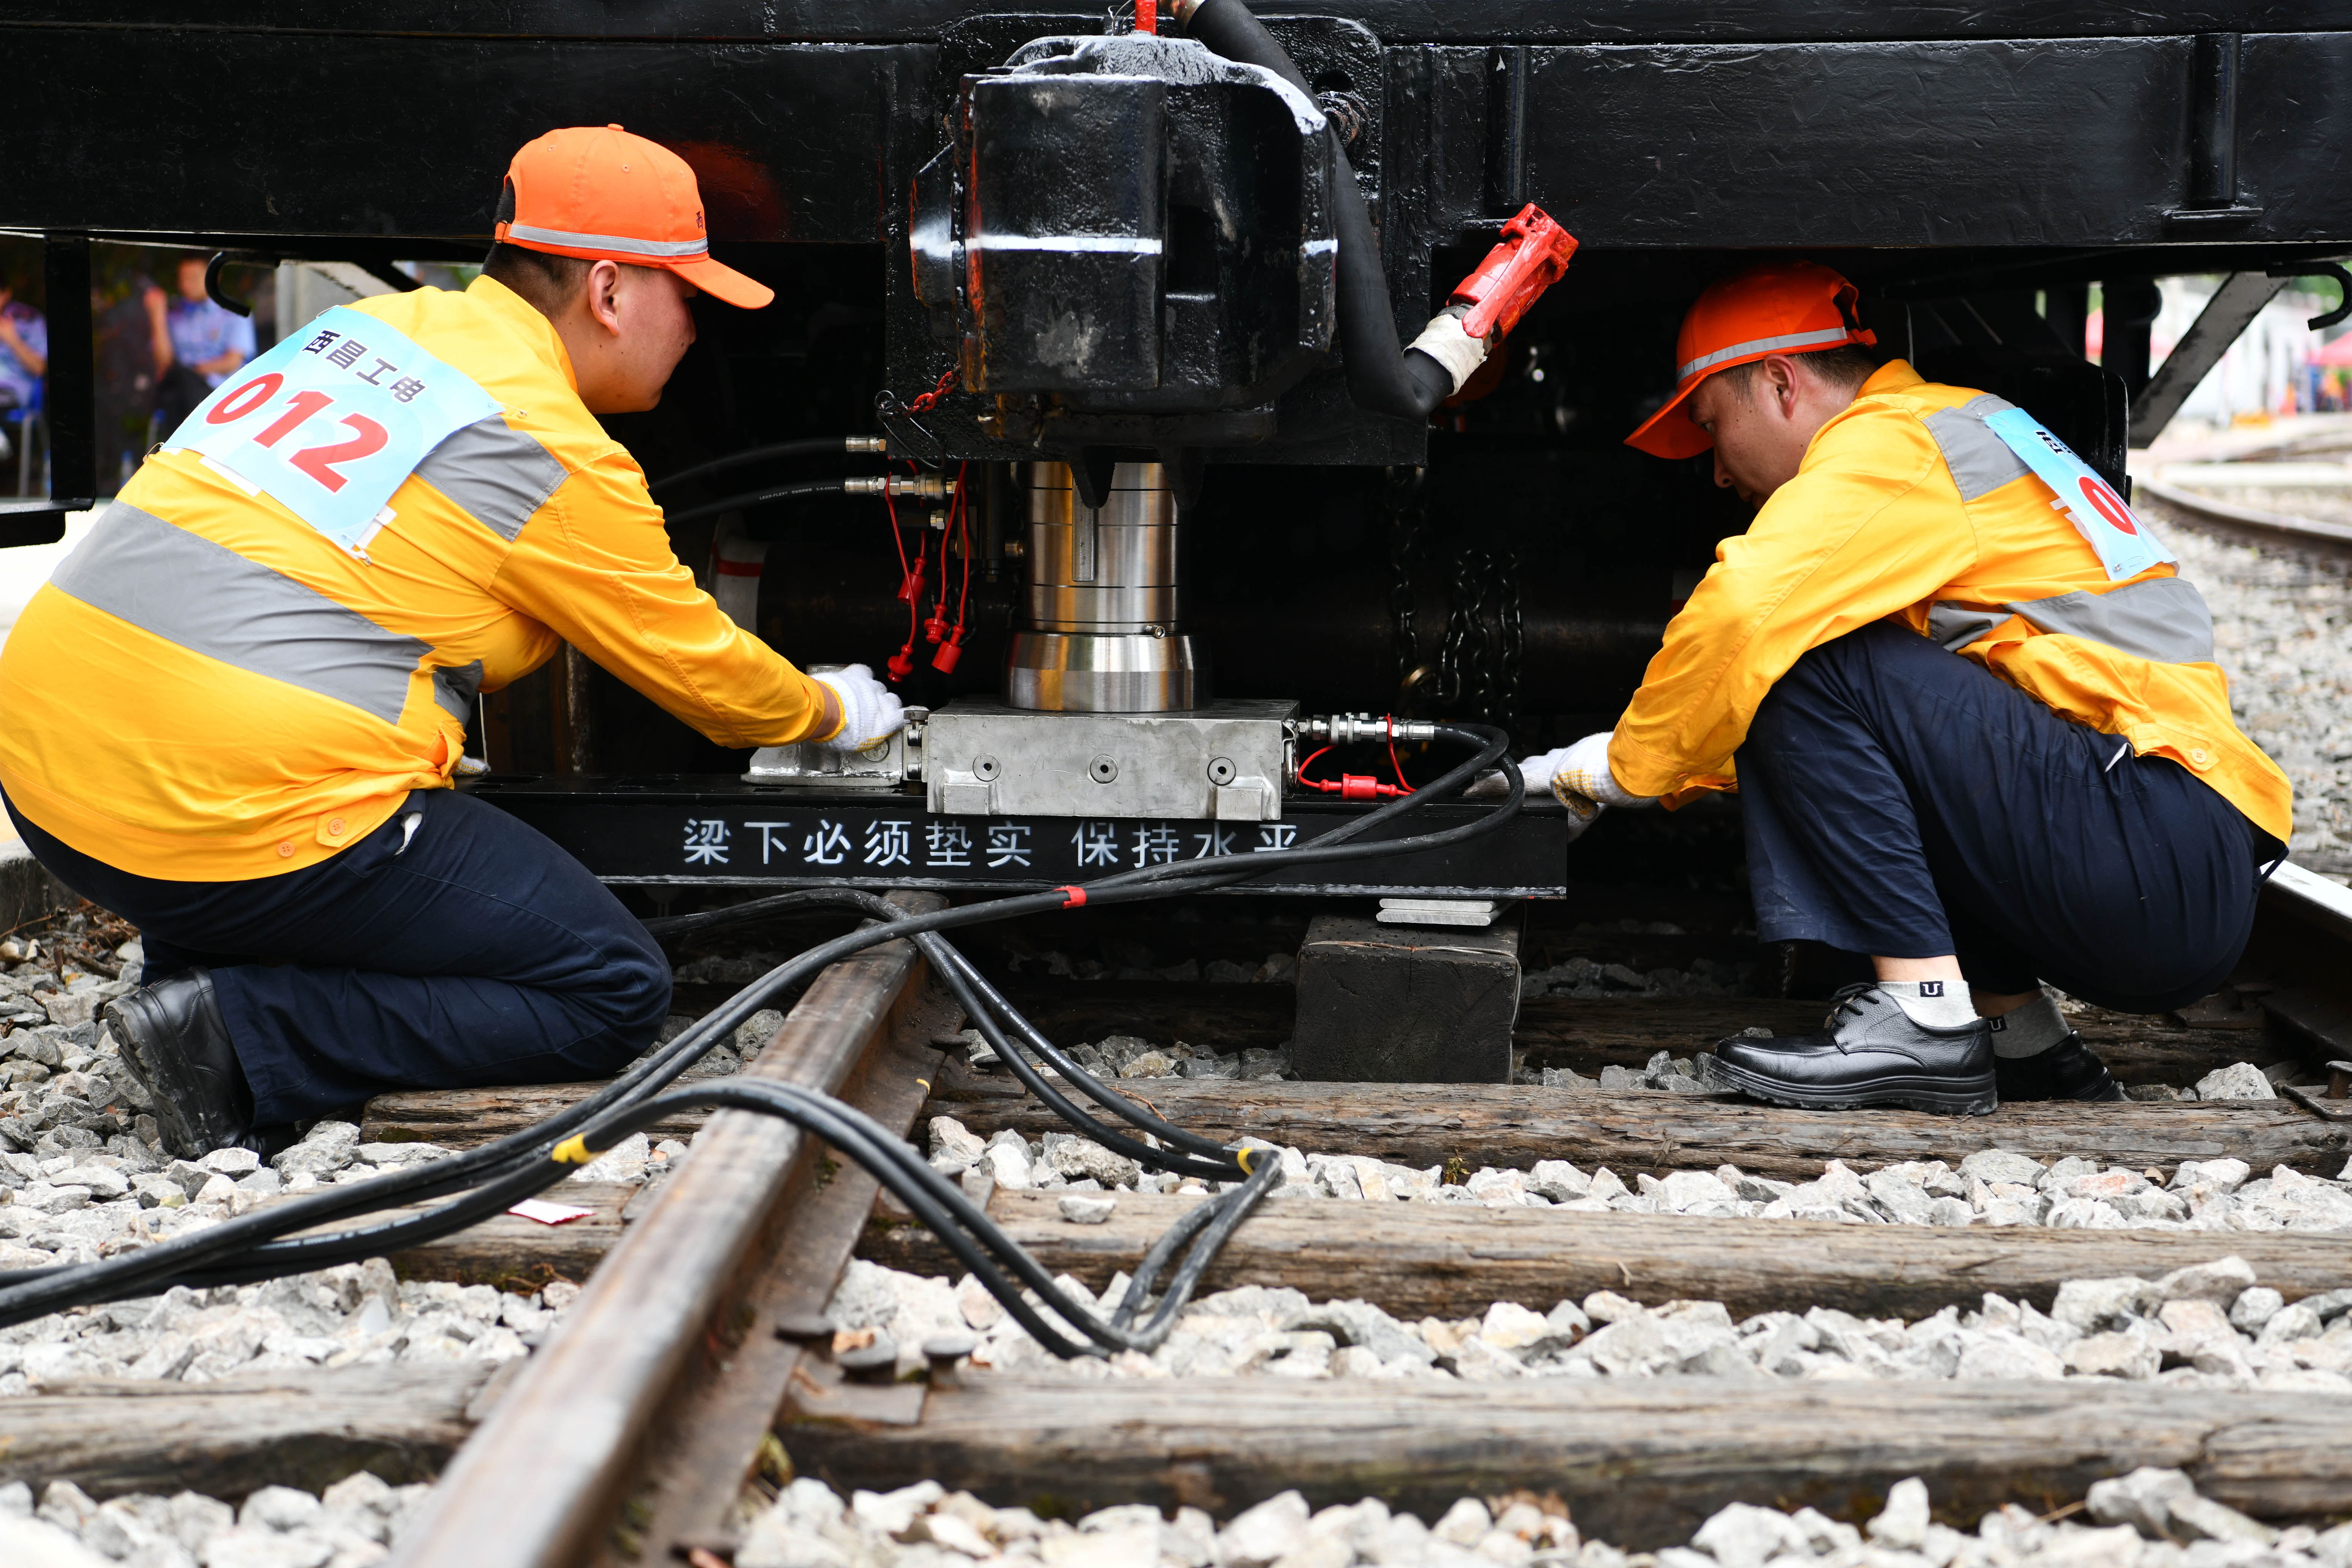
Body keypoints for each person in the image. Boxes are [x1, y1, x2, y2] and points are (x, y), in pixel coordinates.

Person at [0, 126, 906, 1156]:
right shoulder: (551, 449)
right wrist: (829, 706)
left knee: (248, 728)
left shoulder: (375, 334)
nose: (697, 328)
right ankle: (240, 1031)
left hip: (51, 781)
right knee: (612, 987)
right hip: (237, 809)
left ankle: (193, 988)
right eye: (688, 297)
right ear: (608, 293)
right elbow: (708, 678)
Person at [1519, 261, 2290, 1114]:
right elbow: (1866, 758)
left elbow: (1750, 610)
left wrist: (1623, 768)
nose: (1716, 472)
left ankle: (1926, 1020)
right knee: (1826, 669)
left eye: (1713, 425)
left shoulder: (1896, 443)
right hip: (2169, 848)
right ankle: (2024, 1040)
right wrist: (1646, 770)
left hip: (2150, 837)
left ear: (1779, 383)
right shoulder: (1958, 431)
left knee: (1803, 653)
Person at [155, 251, 256, 431]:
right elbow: (164, 363)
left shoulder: (234, 314)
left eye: (194, 278)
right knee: (172, 390)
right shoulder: (175, 317)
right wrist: (157, 317)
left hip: (221, 394)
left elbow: (233, 361)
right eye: (183, 278)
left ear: (215, 276)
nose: (186, 285)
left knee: (181, 382)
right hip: (181, 394)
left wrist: (195, 372)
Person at [0, 276, 46, 469]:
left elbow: (39, 368)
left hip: (13, 393)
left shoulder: (29, 319)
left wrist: (12, 340)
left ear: (6, 293)